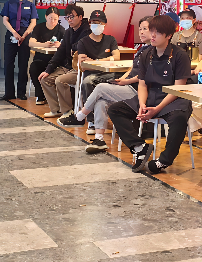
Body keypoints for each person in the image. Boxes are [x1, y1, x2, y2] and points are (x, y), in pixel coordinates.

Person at [107, 15, 192, 174]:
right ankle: (140, 147)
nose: (152, 35)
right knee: (115, 109)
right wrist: (142, 104)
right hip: (151, 95)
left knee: (179, 118)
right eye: (151, 31)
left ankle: (164, 160)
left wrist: (157, 109)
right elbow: (142, 83)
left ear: (168, 35)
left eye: (157, 32)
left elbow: (179, 88)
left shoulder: (180, 55)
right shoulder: (146, 54)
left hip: (174, 99)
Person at [76, 16, 153, 153]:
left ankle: (81, 115)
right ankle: (99, 139)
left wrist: (126, 81)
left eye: (145, 29)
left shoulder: (153, 51)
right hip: (127, 85)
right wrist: (121, 80)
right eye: (140, 29)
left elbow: (145, 75)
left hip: (138, 91)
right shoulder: (142, 49)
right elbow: (132, 69)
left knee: (100, 87)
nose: (141, 32)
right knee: (101, 101)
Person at [57, 10, 121, 127]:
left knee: (122, 79)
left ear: (105, 24)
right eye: (94, 22)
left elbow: (117, 57)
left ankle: (119, 116)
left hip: (108, 74)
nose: (97, 25)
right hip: (91, 74)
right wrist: (107, 60)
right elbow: (83, 64)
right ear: (90, 24)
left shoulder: (110, 39)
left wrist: (96, 61)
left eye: (99, 23)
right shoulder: (83, 42)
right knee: (87, 82)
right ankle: (91, 120)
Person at [38, 4, 91, 119]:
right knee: (45, 79)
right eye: (67, 17)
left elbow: (82, 46)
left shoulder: (88, 31)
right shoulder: (68, 32)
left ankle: (67, 112)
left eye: (72, 17)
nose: (69, 20)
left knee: (60, 81)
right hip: (67, 66)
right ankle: (56, 109)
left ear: (80, 17)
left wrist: (74, 48)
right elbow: (60, 52)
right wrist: (48, 70)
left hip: (80, 69)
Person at [0, 0, 37, 101]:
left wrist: (24, 35)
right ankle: (9, 93)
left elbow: (33, 22)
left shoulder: (31, 5)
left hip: (25, 36)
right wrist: (14, 33)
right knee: (8, 64)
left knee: (23, 64)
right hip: (11, 35)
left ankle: (21, 92)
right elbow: (5, 20)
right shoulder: (9, 4)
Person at [28, 7, 64, 105]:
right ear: (46, 17)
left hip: (55, 60)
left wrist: (59, 45)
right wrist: (44, 45)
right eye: (50, 18)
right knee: (34, 68)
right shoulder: (39, 28)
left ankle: (53, 96)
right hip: (40, 58)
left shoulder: (61, 29)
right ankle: (40, 95)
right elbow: (31, 42)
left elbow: (66, 44)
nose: (52, 21)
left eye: (55, 19)